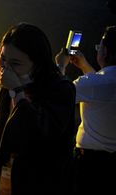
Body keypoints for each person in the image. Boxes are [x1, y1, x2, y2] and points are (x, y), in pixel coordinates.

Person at [0, 23, 76, 195]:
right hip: (5, 182)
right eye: (3, 60)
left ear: (38, 64)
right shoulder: (7, 88)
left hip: (43, 184)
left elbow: (42, 132)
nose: (6, 69)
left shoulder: (61, 89)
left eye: (16, 63)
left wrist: (18, 92)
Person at [55, 25, 116, 194]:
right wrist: (85, 66)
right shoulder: (96, 83)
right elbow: (102, 88)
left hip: (90, 164)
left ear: (105, 52)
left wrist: (60, 65)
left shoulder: (90, 83)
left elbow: (58, 95)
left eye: (99, 46)